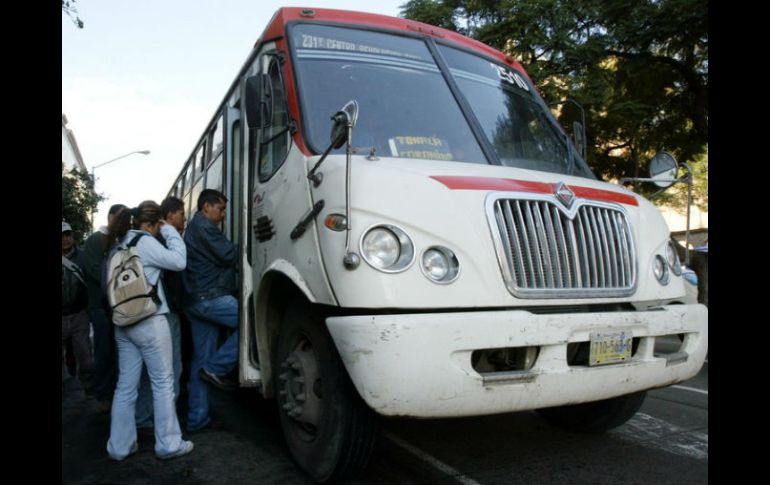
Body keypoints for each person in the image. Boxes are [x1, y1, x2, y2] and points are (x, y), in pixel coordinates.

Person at [106, 202, 193, 461]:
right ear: (153, 224)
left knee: (125, 386)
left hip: (123, 323)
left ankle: (119, 447)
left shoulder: (118, 244)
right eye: (158, 225)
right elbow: (179, 261)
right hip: (150, 320)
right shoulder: (145, 242)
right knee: (163, 382)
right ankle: (169, 444)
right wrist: (169, 231)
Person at [182, 189, 239, 433]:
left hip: (196, 301)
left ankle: (197, 419)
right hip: (210, 298)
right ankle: (217, 368)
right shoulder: (204, 227)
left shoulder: (195, 227)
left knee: (200, 360)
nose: (223, 215)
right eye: (221, 209)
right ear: (207, 207)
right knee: (251, 322)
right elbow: (229, 255)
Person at [135, 196, 187, 433]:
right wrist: (170, 232)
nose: (184, 218)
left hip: (138, 315)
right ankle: (166, 427)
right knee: (169, 371)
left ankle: (142, 419)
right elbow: (178, 264)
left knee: (142, 375)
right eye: (181, 213)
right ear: (166, 217)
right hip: (162, 313)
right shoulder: (156, 241)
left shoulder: (130, 241)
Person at [83, 203, 127, 412]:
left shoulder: (120, 240)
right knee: (103, 352)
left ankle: (116, 393)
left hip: (116, 306)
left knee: (118, 352)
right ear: (109, 217)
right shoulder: (94, 241)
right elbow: (95, 272)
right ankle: (103, 395)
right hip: (100, 308)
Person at [62, 221, 93, 394]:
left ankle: (89, 388)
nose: (65, 239)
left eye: (67, 235)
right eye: (62, 236)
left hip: (79, 314)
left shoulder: (83, 257)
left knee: (85, 354)